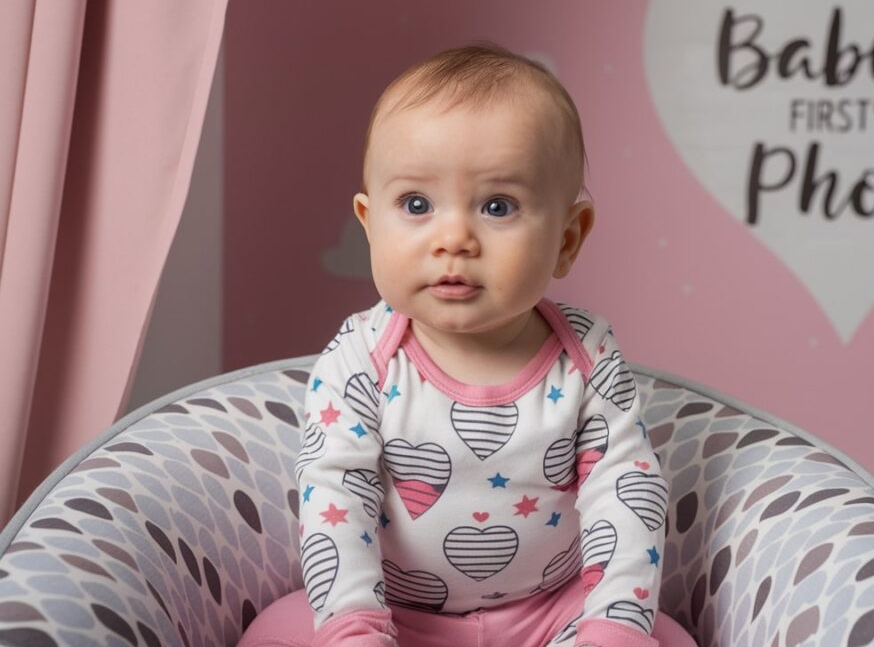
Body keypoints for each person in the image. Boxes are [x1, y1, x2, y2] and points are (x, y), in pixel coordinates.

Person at [239, 44, 697, 647]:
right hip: (394, 615)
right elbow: (335, 497)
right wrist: (354, 629)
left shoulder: (587, 356)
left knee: (666, 640)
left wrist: (612, 626)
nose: (453, 238)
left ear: (567, 238)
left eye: (497, 206)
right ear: (369, 222)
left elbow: (626, 491)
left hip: (551, 614)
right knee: (274, 632)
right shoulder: (361, 357)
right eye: (417, 205)